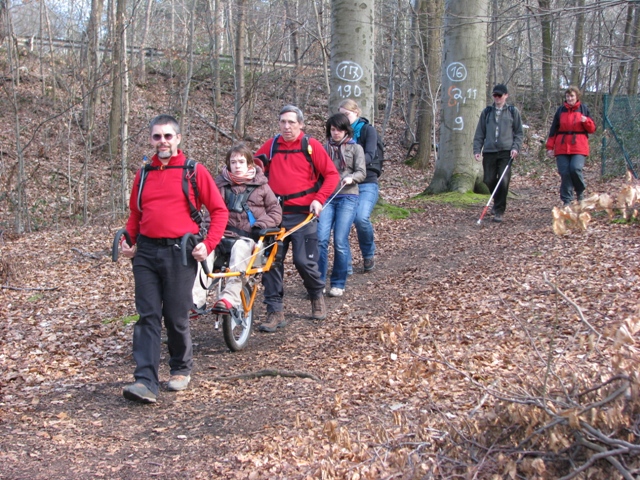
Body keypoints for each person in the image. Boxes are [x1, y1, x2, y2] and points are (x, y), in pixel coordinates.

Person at [120, 114, 228, 404]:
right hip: (145, 253)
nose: (163, 142)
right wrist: (128, 241)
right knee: (147, 315)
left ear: (178, 139)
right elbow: (136, 215)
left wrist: (208, 244)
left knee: (176, 316)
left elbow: (219, 211)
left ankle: (181, 367)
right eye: (157, 137)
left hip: (180, 252)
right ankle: (145, 380)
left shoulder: (194, 171)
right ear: (151, 140)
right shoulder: (143, 174)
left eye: (168, 136)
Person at [254, 105, 340, 332]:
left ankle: (316, 296)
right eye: (283, 121)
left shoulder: (311, 146)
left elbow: (331, 175)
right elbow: (253, 167)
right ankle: (274, 311)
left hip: (304, 215)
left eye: (291, 122)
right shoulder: (272, 145)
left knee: (304, 261)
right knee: (271, 263)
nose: (286, 126)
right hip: (275, 215)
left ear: (301, 124)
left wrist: (319, 199)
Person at [191, 143, 282, 314]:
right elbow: (210, 212)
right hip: (222, 236)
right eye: (233, 162)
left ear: (249, 164)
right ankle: (196, 301)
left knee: (240, 249)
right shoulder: (220, 185)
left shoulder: (262, 186)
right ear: (228, 164)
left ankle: (229, 299)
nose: (237, 165)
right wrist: (207, 230)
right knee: (204, 252)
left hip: (249, 238)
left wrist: (261, 225)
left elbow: (276, 212)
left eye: (241, 161)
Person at [318, 113, 366, 297]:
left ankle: (338, 282)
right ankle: (319, 281)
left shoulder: (356, 148)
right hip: (327, 197)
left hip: (348, 196)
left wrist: (351, 177)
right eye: (332, 130)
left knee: (340, 240)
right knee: (321, 239)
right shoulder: (323, 149)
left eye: (338, 129)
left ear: (346, 130)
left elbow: (362, 172)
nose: (335, 133)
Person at [338, 99, 381, 272]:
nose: (344, 118)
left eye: (347, 114)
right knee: (343, 222)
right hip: (344, 184)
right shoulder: (338, 133)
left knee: (361, 218)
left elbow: (371, 154)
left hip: (366, 182)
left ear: (356, 112)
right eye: (341, 114)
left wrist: (354, 167)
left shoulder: (367, 131)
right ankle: (345, 263)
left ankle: (368, 254)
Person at [473, 84, 524, 222]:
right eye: (495, 95)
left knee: (503, 179)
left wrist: (515, 147)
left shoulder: (513, 112)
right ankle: (496, 201)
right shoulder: (487, 112)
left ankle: (499, 211)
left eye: (499, 95)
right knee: (488, 180)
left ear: (506, 96)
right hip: (489, 151)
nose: (497, 98)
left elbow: (519, 133)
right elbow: (480, 133)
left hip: (506, 152)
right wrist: (477, 149)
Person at [545, 85, 596, 206]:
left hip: (579, 145)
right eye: (567, 96)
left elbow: (592, 129)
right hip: (562, 146)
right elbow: (554, 130)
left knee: (575, 168)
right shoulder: (560, 110)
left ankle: (580, 191)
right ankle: (567, 200)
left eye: (572, 96)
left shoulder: (583, 109)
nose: (569, 98)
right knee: (565, 172)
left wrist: (586, 121)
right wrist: (549, 147)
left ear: (577, 96)